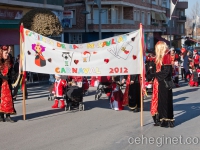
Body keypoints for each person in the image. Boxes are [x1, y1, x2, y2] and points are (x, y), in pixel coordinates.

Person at [150, 41, 174, 128]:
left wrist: (156, 75)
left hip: (164, 83)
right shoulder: (160, 57)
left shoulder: (166, 56)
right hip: (159, 83)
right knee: (159, 101)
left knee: (165, 101)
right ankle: (159, 119)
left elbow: (167, 71)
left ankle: (166, 120)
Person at [0, 45, 16, 122]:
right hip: (1, 83)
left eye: (7, 53)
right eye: (5, 53)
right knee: (1, 100)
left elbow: (12, 71)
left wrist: (13, 76)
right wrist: (2, 77)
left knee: (8, 99)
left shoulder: (9, 61)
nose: (7, 54)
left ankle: (8, 116)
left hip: (7, 84)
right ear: (1, 53)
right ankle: (1, 116)